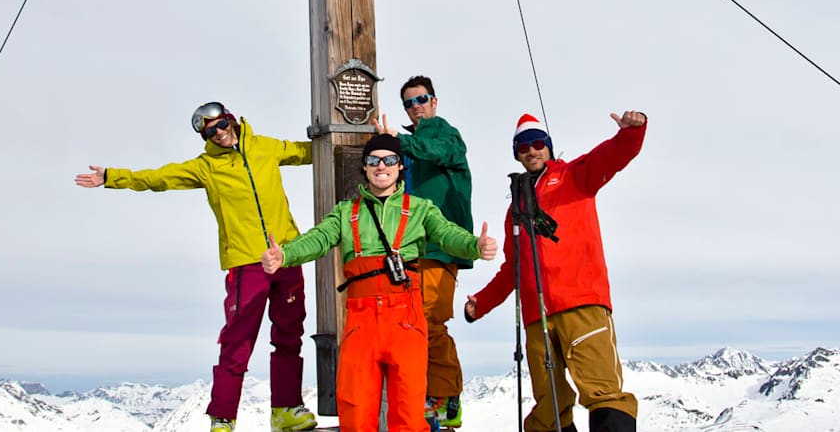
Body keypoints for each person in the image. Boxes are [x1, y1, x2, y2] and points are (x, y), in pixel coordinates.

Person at [75, 102, 318, 432]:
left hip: (287, 252)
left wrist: (366, 143)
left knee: (290, 334)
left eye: (220, 125)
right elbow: (160, 178)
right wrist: (113, 177)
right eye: (209, 131)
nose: (218, 134)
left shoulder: (265, 146)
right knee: (238, 340)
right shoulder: (205, 166)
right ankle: (223, 418)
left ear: (230, 119)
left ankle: (286, 410)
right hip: (246, 261)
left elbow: (308, 152)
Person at [261, 134, 498, 432]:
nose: (381, 166)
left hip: (406, 321)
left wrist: (476, 245)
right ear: (364, 167)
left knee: (409, 414)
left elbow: (448, 234)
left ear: (400, 167)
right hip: (360, 322)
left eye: (389, 160)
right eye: (373, 160)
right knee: (356, 413)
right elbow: (318, 239)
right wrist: (286, 254)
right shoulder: (346, 212)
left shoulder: (421, 209)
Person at [465, 111, 647, 432]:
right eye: (523, 146)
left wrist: (632, 132)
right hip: (538, 318)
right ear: (516, 153)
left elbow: (612, 156)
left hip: (582, 305)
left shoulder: (575, 176)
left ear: (548, 147)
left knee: (602, 391)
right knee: (548, 406)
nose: (531, 150)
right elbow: (513, 268)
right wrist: (481, 302)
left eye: (537, 143)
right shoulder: (515, 208)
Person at [374, 75, 473, 429]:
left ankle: (446, 397)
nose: (415, 107)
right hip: (410, 249)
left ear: (434, 101)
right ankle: (427, 396)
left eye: (421, 99)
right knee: (412, 324)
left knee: (430, 320)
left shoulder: (445, 136)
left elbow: (441, 152)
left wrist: (400, 142)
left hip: (441, 246)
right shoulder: (410, 147)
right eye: (408, 103)